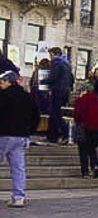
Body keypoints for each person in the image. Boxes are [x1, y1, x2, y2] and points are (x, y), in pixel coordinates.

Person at [0, 70, 40, 207]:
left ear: (8, 82)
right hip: (22, 136)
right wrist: (30, 131)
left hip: (4, 134)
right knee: (18, 167)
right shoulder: (27, 97)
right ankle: (18, 197)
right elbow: (36, 116)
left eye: (2, 82)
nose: (1, 85)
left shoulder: (3, 96)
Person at [41, 47, 74, 143]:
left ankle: (65, 134)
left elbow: (53, 77)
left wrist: (43, 81)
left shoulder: (56, 63)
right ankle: (52, 136)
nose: (50, 57)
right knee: (54, 113)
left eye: (50, 54)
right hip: (65, 91)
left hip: (57, 90)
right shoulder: (67, 64)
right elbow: (71, 79)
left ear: (54, 54)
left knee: (56, 113)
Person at [73, 80, 98, 179]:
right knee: (92, 149)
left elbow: (77, 115)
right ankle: (95, 168)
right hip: (97, 129)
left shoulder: (81, 100)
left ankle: (85, 172)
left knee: (83, 151)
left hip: (84, 128)